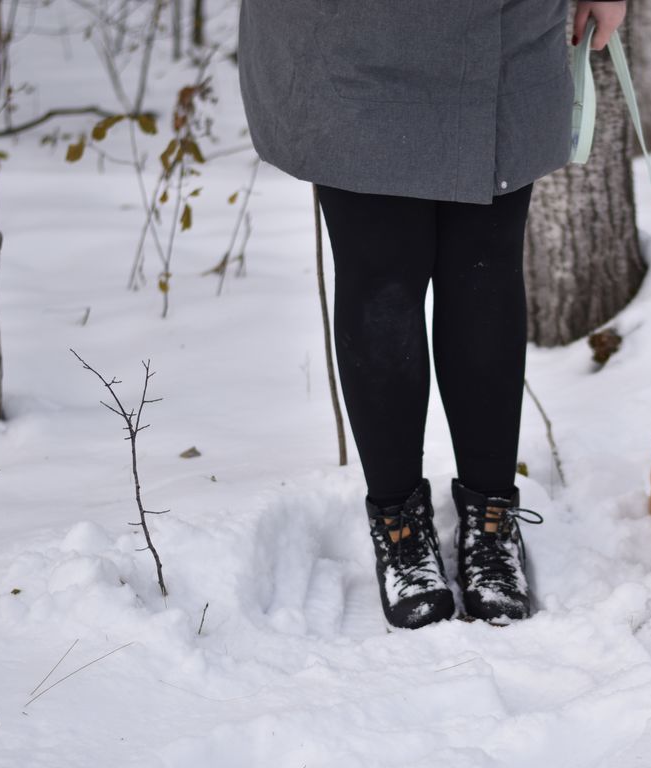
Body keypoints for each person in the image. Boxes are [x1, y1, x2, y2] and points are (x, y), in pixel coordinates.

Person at [238, 1, 628, 629]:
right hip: (348, 36)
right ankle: (397, 522)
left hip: (503, 27)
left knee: (484, 275)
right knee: (380, 281)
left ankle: (491, 516)